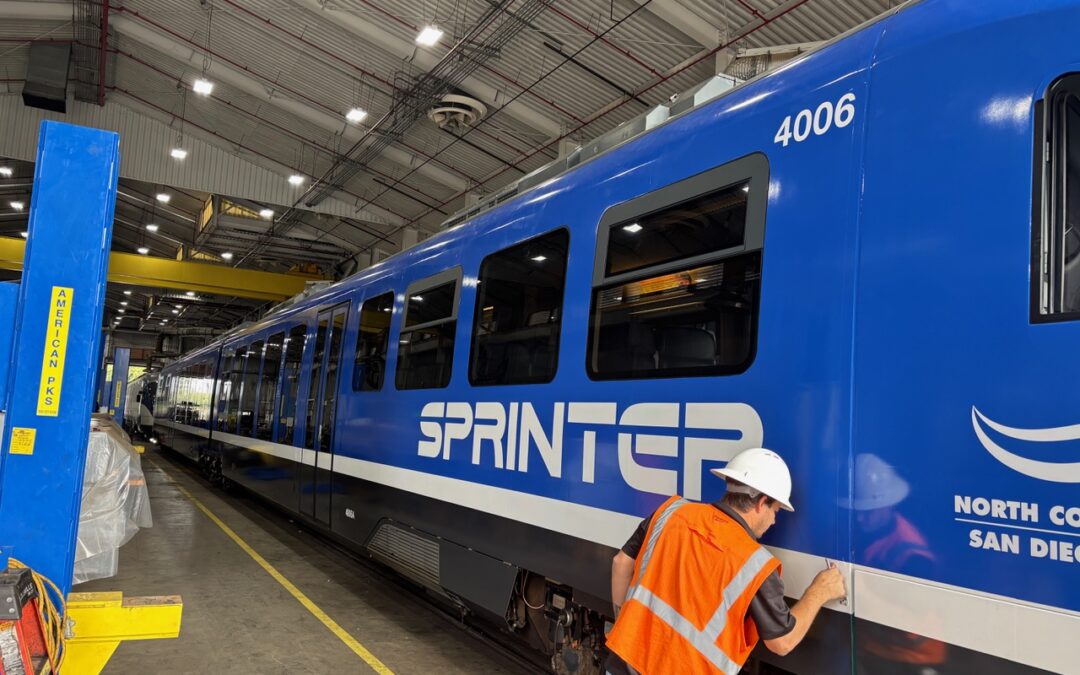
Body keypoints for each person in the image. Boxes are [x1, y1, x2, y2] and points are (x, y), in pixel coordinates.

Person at [606, 447, 846, 675]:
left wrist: (626, 628)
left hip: (622, 662)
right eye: (776, 511)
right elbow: (782, 643)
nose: (774, 521)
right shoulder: (755, 564)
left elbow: (621, 563)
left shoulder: (672, 512)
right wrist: (819, 591)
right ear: (762, 502)